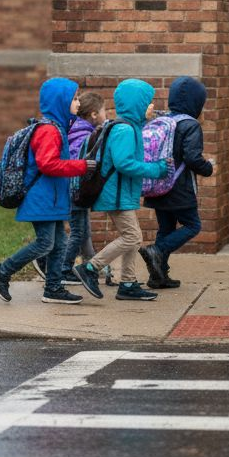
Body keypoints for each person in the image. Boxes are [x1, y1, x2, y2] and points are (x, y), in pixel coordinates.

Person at [0, 77, 95, 304]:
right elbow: (48, 164)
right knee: (45, 242)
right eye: (74, 98)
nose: (78, 103)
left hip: (52, 199)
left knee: (60, 243)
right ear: (60, 101)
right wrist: (81, 166)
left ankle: (53, 288)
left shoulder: (58, 128)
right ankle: (2, 271)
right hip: (41, 198)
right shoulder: (48, 131)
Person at [73, 79, 170, 301]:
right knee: (133, 237)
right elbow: (123, 163)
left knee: (132, 237)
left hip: (122, 193)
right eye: (148, 102)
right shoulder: (124, 130)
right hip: (115, 194)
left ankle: (128, 283)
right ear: (137, 104)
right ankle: (89, 269)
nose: (152, 107)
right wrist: (156, 170)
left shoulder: (130, 127)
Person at [140, 76, 214, 289]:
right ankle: (158, 250)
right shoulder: (190, 125)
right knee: (192, 225)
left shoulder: (162, 120)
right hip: (179, 187)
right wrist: (207, 168)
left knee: (166, 227)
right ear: (195, 103)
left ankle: (158, 276)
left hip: (158, 185)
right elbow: (192, 158)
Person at [61, 91, 108, 286]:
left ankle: (92, 264)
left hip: (75, 192)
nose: (107, 114)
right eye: (104, 110)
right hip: (75, 192)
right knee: (78, 232)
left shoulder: (79, 130)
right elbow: (75, 161)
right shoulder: (83, 135)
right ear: (94, 114)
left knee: (84, 230)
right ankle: (63, 269)